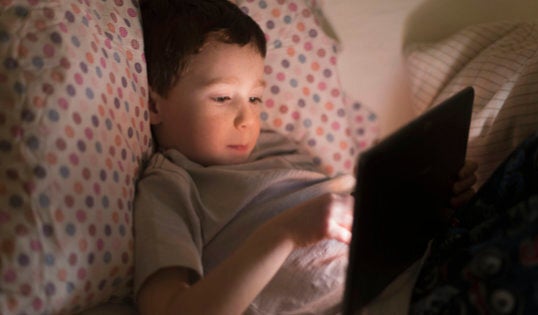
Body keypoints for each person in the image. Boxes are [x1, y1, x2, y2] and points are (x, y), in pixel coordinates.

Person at [133, 0, 478, 314]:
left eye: (255, 99)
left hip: (418, 266)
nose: (246, 119)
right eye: (222, 98)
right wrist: (287, 232)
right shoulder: (170, 186)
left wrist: (432, 205)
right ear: (153, 105)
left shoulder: (279, 146)